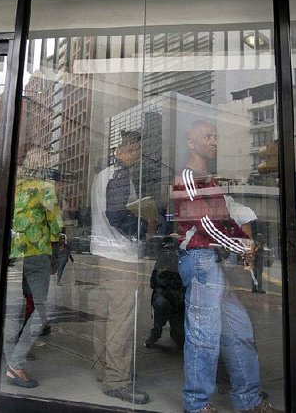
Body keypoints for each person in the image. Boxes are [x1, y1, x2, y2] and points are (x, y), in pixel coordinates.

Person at [173, 119, 280, 413]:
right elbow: (204, 223)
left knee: (239, 332)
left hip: (214, 263)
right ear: (190, 143)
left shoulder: (209, 179)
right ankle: (196, 405)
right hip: (200, 261)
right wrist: (239, 245)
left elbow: (225, 221)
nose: (214, 141)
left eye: (216, 136)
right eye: (207, 136)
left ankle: (248, 399)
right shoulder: (188, 176)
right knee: (204, 337)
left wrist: (244, 242)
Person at [86, 130, 154, 405]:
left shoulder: (102, 174)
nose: (136, 155)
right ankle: (117, 379)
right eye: (135, 150)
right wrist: (145, 227)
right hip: (121, 256)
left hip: (103, 252)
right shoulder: (120, 175)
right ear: (123, 149)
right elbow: (116, 215)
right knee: (121, 321)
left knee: (105, 316)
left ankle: (105, 370)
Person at [3, 146, 62, 388]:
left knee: (15, 307)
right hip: (37, 252)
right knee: (41, 310)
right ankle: (16, 364)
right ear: (44, 165)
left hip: (16, 253)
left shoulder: (14, 186)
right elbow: (55, 225)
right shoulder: (45, 188)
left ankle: (9, 355)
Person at [144, 235, 184, 350]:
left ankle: (158, 333)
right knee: (162, 307)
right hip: (168, 298)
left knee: (180, 338)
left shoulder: (169, 258)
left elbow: (154, 282)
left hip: (174, 299)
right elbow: (155, 282)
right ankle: (156, 333)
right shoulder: (172, 257)